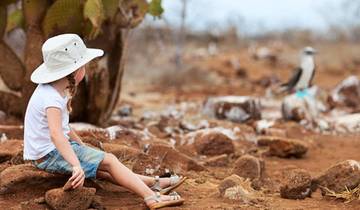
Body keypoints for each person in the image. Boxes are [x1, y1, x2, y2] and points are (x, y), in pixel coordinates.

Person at [23, 33, 186, 209]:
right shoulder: (51, 98)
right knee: (110, 160)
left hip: (45, 152)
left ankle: (153, 183)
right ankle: (152, 197)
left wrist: (80, 144)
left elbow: (64, 127)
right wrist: (76, 165)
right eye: (83, 66)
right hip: (48, 154)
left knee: (102, 169)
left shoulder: (58, 88)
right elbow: (56, 134)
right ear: (76, 70)